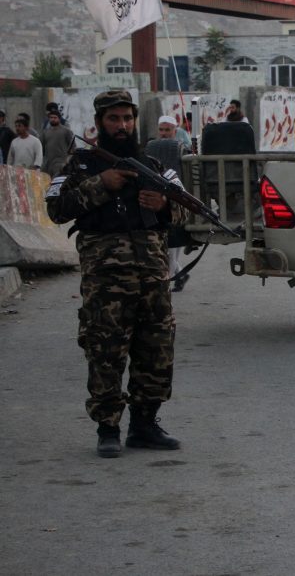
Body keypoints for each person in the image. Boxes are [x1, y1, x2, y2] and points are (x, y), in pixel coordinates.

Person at [45, 90, 187, 458]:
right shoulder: (79, 166)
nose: (121, 126)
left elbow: (190, 211)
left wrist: (166, 205)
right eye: (113, 119)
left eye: (127, 118)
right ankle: (108, 428)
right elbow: (56, 209)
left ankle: (144, 425)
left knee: (156, 352)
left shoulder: (154, 166)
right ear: (100, 123)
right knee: (105, 351)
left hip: (154, 281)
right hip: (105, 282)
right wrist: (101, 184)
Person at [147, 116, 194, 292]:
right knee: (167, 252)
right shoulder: (151, 149)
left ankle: (170, 281)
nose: (164, 133)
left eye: (168, 130)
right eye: (162, 130)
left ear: (175, 131)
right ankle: (179, 276)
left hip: (178, 210)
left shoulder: (184, 151)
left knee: (170, 253)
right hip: (157, 207)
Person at [42, 109, 75, 176]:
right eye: (51, 117)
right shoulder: (45, 132)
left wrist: (68, 160)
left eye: (55, 117)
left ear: (59, 119)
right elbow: (42, 149)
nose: (53, 119)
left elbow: (73, 147)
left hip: (61, 163)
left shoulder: (66, 131)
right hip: (48, 164)